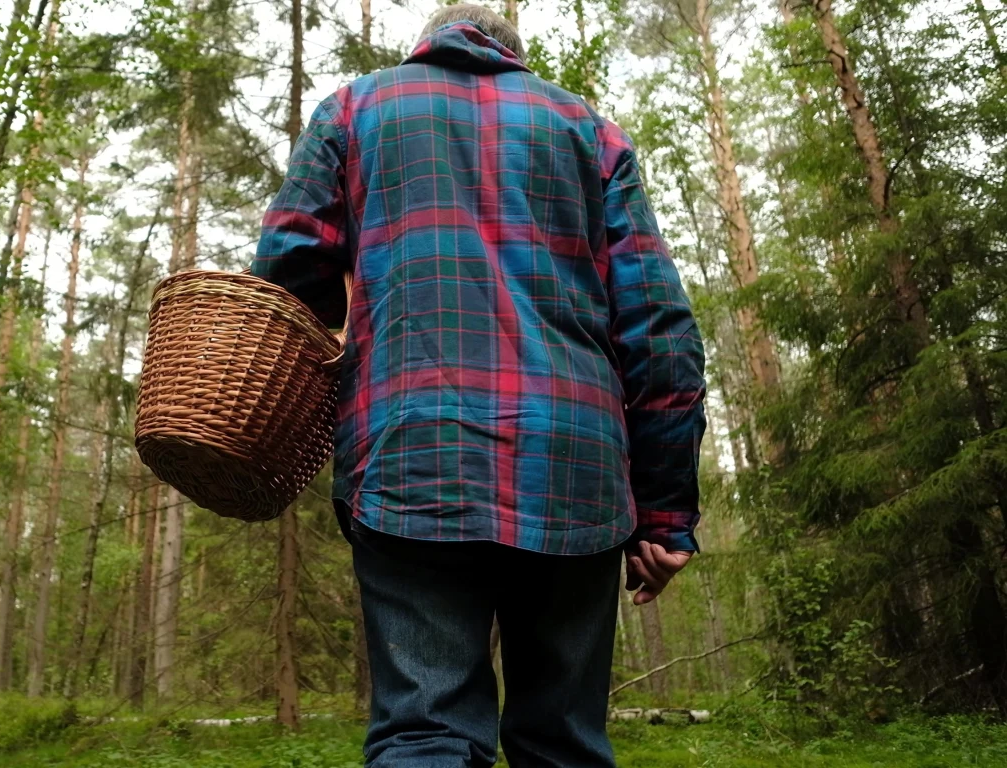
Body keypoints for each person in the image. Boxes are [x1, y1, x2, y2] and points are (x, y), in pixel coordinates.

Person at [251, 4, 706, 766]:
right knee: (562, 743)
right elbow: (660, 330)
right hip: (575, 469)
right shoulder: (588, 131)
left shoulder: (356, 109)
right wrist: (664, 515)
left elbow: (286, 285)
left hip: (409, 458)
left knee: (424, 733)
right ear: (513, 54)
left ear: (427, 43)